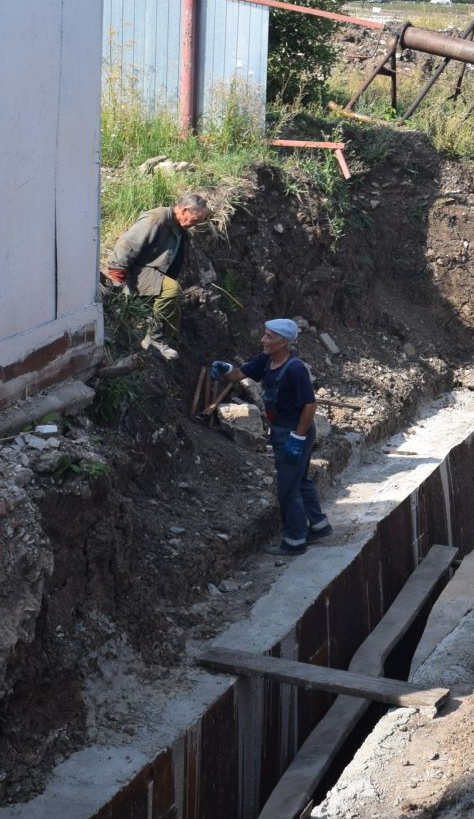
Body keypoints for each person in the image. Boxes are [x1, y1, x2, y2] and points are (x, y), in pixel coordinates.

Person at [212, 319, 331, 556]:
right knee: (300, 480)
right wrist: (225, 371)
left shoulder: (296, 369)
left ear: (283, 342)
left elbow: (309, 405)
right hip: (284, 430)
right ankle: (318, 525)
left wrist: (297, 437)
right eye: (264, 335)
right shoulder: (266, 360)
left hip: (295, 431)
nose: (262, 340)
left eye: (268, 336)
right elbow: (239, 374)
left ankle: (295, 541)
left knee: (288, 489)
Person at [103, 193, 213, 354]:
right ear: (184, 210)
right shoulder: (157, 218)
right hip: (138, 271)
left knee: (174, 315)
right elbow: (127, 243)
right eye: (194, 220)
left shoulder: (179, 227)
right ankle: (153, 340)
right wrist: (117, 273)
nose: (194, 224)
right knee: (171, 289)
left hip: (154, 273)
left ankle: (158, 345)